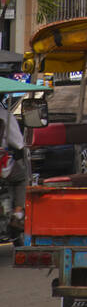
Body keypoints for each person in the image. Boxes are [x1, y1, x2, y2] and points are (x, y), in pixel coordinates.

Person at [0, 96, 26, 233]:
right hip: (2, 165)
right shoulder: (5, 115)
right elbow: (18, 143)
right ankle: (17, 214)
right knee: (22, 178)